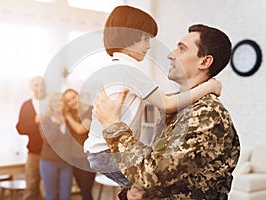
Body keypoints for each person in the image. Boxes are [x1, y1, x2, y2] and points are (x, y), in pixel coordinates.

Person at [94, 24, 240, 199]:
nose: (171, 55)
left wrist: (113, 125)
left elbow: (151, 174)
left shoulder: (207, 113)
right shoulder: (180, 109)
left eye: (182, 49)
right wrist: (131, 193)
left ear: (204, 61)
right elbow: (155, 173)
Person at [83, 5, 222, 187]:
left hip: (99, 152)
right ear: (129, 36)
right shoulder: (129, 70)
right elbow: (166, 103)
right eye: (145, 38)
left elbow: (163, 97)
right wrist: (210, 86)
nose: (148, 46)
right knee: (152, 186)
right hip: (108, 152)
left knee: (139, 189)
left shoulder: (115, 66)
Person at [16, 76, 47, 200]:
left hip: (51, 154)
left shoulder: (53, 103)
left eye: (42, 84)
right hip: (34, 153)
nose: (39, 87)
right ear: (31, 87)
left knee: (48, 189)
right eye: (36, 85)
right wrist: (35, 122)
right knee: (31, 188)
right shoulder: (26, 105)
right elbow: (20, 128)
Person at [62, 89, 96, 200]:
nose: (72, 101)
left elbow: (81, 129)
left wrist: (67, 116)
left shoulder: (90, 111)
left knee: (86, 191)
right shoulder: (70, 113)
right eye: (68, 101)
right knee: (82, 190)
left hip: (87, 159)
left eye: (73, 97)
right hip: (74, 157)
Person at [40, 92, 73, 200]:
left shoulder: (68, 120)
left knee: (66, 195)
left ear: (64, 103)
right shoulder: (45, 120)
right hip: (49, 163)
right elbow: (48, 140)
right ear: (50, 104)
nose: (57, 103)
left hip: (66, 163)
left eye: (60, 100)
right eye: (54, 101)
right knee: (51, 196)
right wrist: (57, 123)